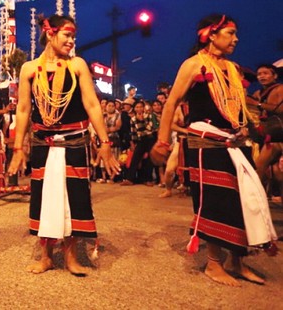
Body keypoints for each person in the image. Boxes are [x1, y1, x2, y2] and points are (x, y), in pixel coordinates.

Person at [151, 14, 277, 286]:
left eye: (235, 33)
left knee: (243, 201)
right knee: (216, 203)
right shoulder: (194, 65)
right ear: (211, 35)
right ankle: (214, 264)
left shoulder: (233, 68)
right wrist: (162, 141)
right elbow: (172, 102)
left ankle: (237, 261)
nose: (236, 38)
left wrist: (247, 127)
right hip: (207, 142)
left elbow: (239, 105)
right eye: (230, 33)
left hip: (234, 141)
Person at [8, 15, 120, 276]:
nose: (71, 41)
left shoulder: (77, 65)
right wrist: (17, 148)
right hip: (43, 142)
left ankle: (71, 256)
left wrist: (104, 142)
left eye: (73, 37)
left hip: (74, 141)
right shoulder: (29, 69)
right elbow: (23, 110)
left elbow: (92, 104)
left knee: (74, 198)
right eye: (66, 36)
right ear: (50, 34)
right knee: (43, 197)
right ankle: (46, 256)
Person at [248, 64, 283, 190]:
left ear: (275, 75)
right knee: (274, 172)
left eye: (265, 73)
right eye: (259, 74)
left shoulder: (280, 89)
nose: (262, 76)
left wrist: (257, 104)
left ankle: (252, 197)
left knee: (259, 168)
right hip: (268, 134)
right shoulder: (259, 92)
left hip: (277, 136)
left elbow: (281, 109)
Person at [120, 100, 155, 186]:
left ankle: (148, 179)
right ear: (134, 108)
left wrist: (142, 120)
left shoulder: (148, 116)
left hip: (149, 140)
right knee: (135, 159)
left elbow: (149, 129)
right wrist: (133, 143)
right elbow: (133, 132)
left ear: (143, 108)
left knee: (148, 160)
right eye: (137, 107)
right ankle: (130, 179)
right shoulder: (133, 119)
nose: (139, 109)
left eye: (140, 107)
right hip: (140, 141)